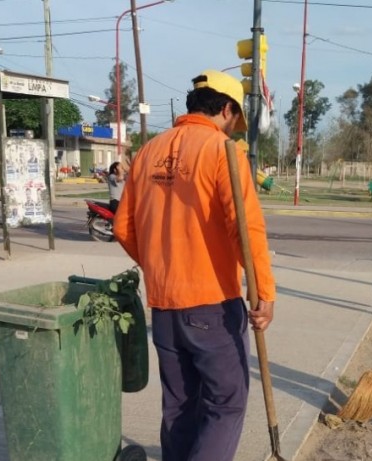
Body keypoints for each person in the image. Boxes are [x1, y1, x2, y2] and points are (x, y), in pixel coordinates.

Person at [112, 69, 276, 461]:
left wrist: (159, 266)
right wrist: (264, 293)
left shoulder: (150, 150)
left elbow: (123, 227)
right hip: (210, 306)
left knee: (179, 406)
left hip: (165, 307)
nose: (235, 129)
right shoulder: (223, 151)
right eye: (235, 120)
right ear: (226, 109)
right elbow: (246, 229)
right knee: (226, 405)